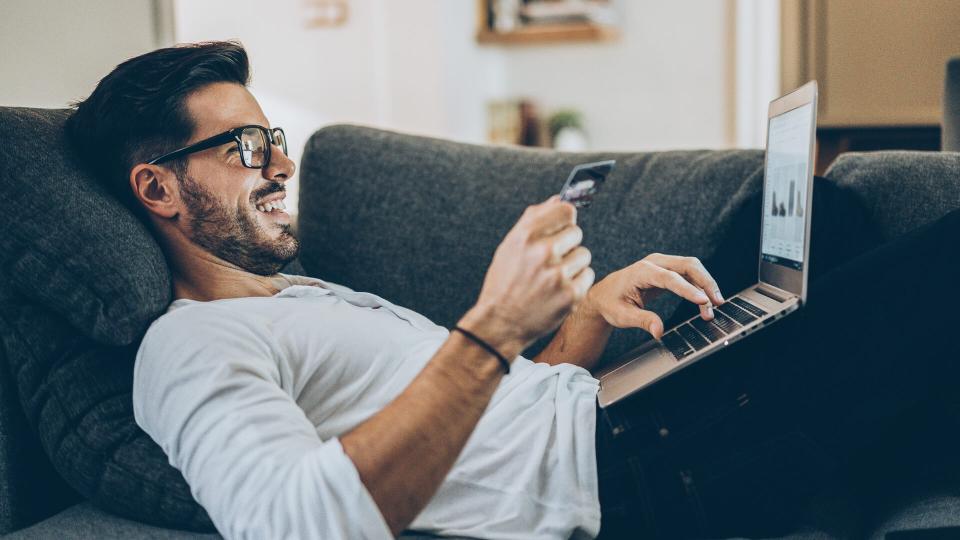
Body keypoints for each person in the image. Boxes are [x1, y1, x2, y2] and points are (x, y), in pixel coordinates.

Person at [65, 41, 959, 539]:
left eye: (276, 139)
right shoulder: (189, 347)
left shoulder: (294, 298)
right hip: (640, 472)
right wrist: (491, 328)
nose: (282, 166)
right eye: (246, 149)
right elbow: (291, 526)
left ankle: (855, 452)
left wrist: (579, 318)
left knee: (820, 207)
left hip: (610, 407)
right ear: (157, 188)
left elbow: (504, 417)